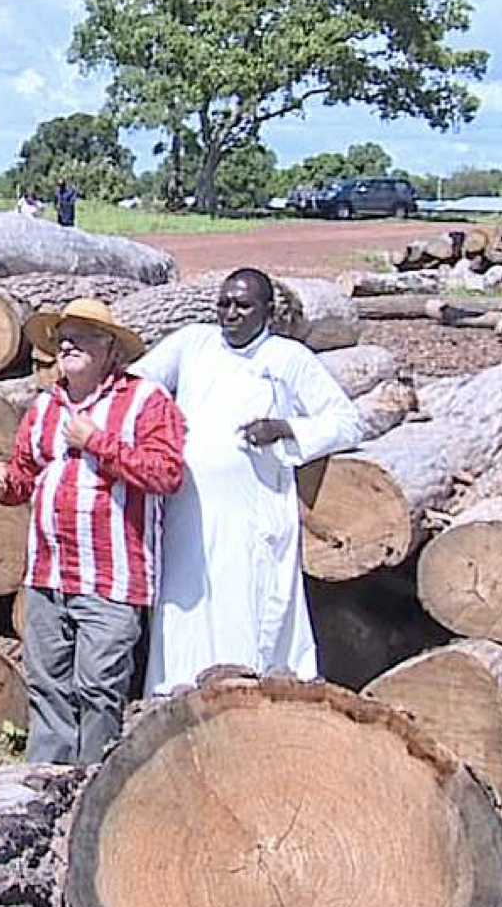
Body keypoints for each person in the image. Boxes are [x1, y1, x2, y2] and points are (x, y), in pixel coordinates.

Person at [130, 268, 364, 695]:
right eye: (224, 303)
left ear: (267, 312)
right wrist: (161, 422)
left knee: (245, 610)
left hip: (253, 516)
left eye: (243, 305)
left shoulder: (286, 358)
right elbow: (137, 386)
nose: (230, 314)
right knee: (184, 608)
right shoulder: (192, 343)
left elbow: (347, 422)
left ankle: (244, 704)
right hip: (188, 512)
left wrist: (285, 428)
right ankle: (172, 700)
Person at [0, 298, 185, 764]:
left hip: (111, 577)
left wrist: (98, 443)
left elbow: (167, 474)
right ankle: (40, 788)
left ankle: (90, 791)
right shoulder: (45, 406)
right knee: (47, 686)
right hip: (48, 575)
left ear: (110, 348)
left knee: (98, 689)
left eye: (80, 336)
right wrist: (4, 484)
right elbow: (26, 475)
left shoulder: (145, 402)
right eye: (61, 337)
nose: (66, 344)